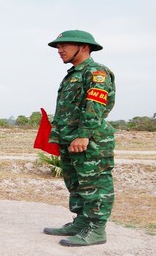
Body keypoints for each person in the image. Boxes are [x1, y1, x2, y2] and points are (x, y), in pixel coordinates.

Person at [44, 30, 116, 247]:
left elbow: (96, 106)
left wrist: (84, 135)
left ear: (84, 47)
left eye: (64, 45)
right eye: (58, 46)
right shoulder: (73, 73)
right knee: (76, 183)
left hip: (89, 140)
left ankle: (96, 229)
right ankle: (81, 222)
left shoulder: (96, 72)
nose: (59, 50)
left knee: (94, 184)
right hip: (69, 138)